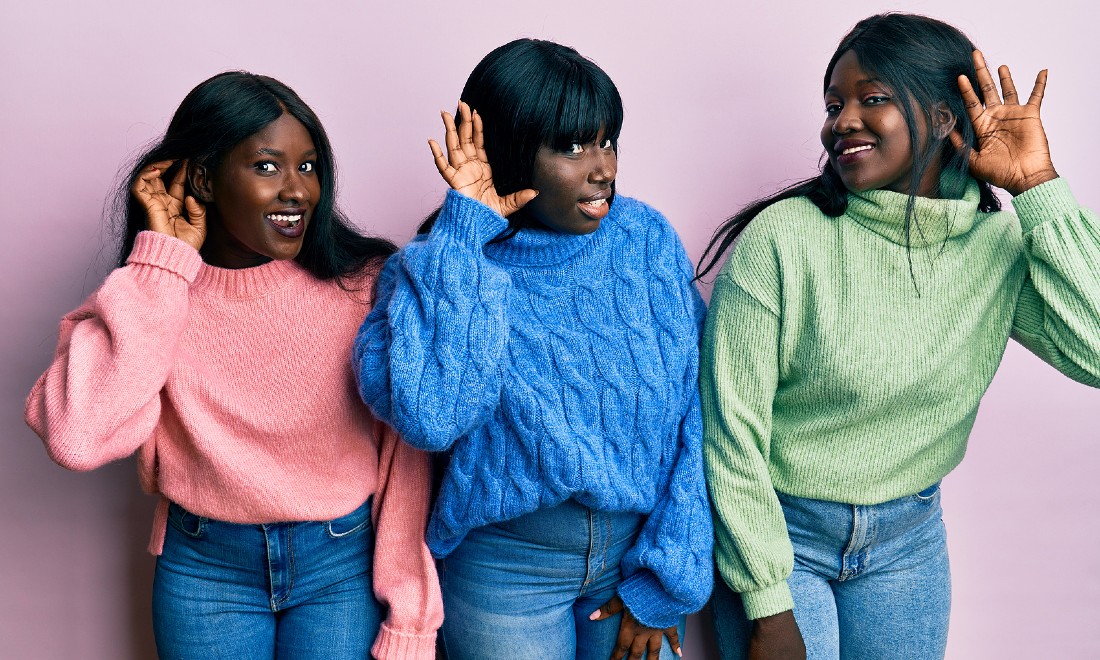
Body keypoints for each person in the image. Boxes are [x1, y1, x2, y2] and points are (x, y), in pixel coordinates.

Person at [698, 12, 1100, 660]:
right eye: (834, 104)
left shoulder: (994, 249)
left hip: (908, 541)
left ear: (944, 117)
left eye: (872, 98)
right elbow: (729, 434)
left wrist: (1038, 189)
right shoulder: (785, 240)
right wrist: (767, 602)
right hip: (780, 536)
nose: (841, 121)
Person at [25, 71, 442, 659]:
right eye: (268, 166)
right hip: (205, 573)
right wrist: (161, 267)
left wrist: (411, 616)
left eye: (309, 166)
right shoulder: (153, 293)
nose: (298, 190)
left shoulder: (363, 284)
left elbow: (405, 459)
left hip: (341, 566)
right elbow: (76, 436)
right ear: (204, 178)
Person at [353, 38, 712, 659]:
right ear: (513, 152)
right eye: (572, 148)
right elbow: (432, 418)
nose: (602, 167)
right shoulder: (441, 264)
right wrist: (465, 231)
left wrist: (666, 580)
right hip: (502, 572)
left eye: (607, 141)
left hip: (633, 556)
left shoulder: (646, 240)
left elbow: (698, 408)